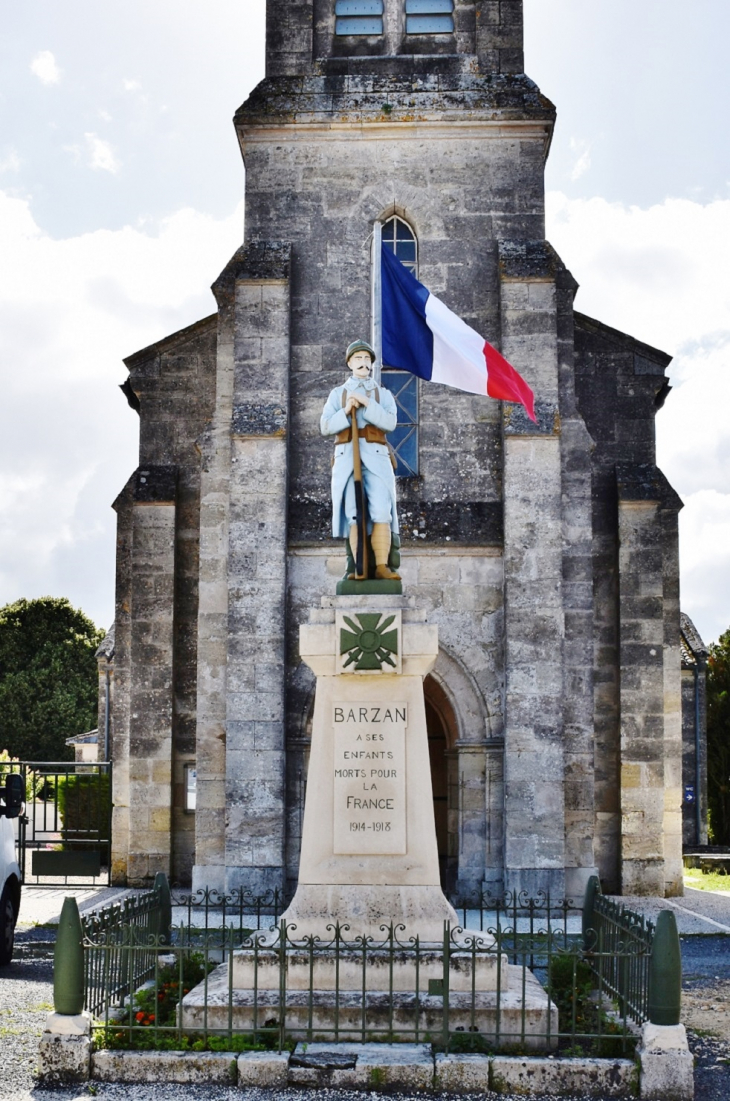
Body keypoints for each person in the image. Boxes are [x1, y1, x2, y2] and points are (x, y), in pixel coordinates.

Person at [320, 340, 400, 581]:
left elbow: (390, 423)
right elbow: (325, 426)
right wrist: (346, 409)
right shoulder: (337, 394)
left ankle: (382, 566)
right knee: (352, 513)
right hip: (347, 457)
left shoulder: (382, 394)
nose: (363, 363)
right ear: (349, 364)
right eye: (358, 359)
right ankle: (358, 567)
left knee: (380, 510)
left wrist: (366, 403)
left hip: (376, 456)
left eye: (367, 359)